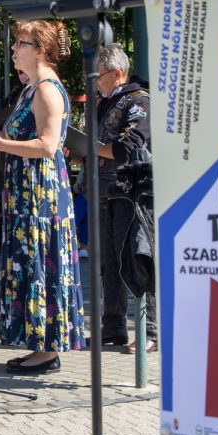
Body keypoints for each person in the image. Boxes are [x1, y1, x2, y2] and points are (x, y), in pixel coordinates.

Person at [0, 19, 84, 375]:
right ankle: (38, 344)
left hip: (41, 192)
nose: (13, 49)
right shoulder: (30, 89)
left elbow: (47, 145)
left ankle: (47, 349)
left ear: (40, 49)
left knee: (41, 261)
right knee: (29, 264)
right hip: (26, 189)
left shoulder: (47, 89)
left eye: (20, 44)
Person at [91, 43, 156, 353]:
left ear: (117, 73)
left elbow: (129, 146)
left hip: (133, 192)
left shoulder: (138, 100)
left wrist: (89, 147)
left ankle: (152, 331)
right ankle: (112, 326)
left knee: (139, 257)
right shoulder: (106, 101)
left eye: (99, 76)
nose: (95, 82)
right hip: (106, 191)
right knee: (109, 262)